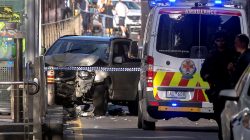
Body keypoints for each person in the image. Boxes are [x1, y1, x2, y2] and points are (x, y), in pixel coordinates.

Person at [200, 31, 235, 140]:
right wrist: (208, 78)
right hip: (217, 89)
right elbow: (203, 72)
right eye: (218, 40)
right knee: (219, 116)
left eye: (222, 40)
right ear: (215, 41)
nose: (220, 43)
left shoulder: (231, 54)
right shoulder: (212, 55)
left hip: (230, 89)